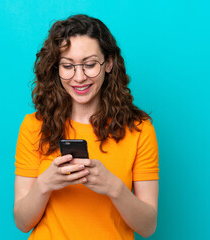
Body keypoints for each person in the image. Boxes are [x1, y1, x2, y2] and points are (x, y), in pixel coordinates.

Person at [14, 14, 159, 239]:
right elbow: (23, 223)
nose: (79, 77)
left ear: (109, 63)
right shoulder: (33, 126)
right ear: (56, 68)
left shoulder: (139, 130)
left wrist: (114, 187)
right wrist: (45, 184)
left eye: (90, 64)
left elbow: (148, 227)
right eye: (68, 66)